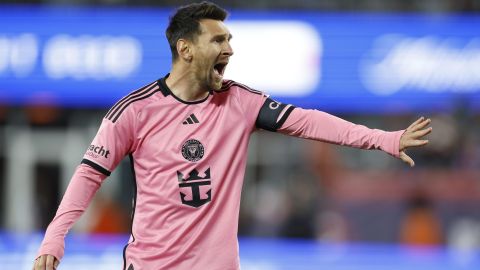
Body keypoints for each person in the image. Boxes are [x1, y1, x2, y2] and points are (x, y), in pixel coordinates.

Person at [33, 2, 432, 269]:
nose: (230, 48)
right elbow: (89, 175)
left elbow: (310, 121)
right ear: (186, 49)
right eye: (219, 40)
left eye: (230, 40)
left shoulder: (239, 102)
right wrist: (55, 239)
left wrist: (384, 139)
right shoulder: (135, 111)